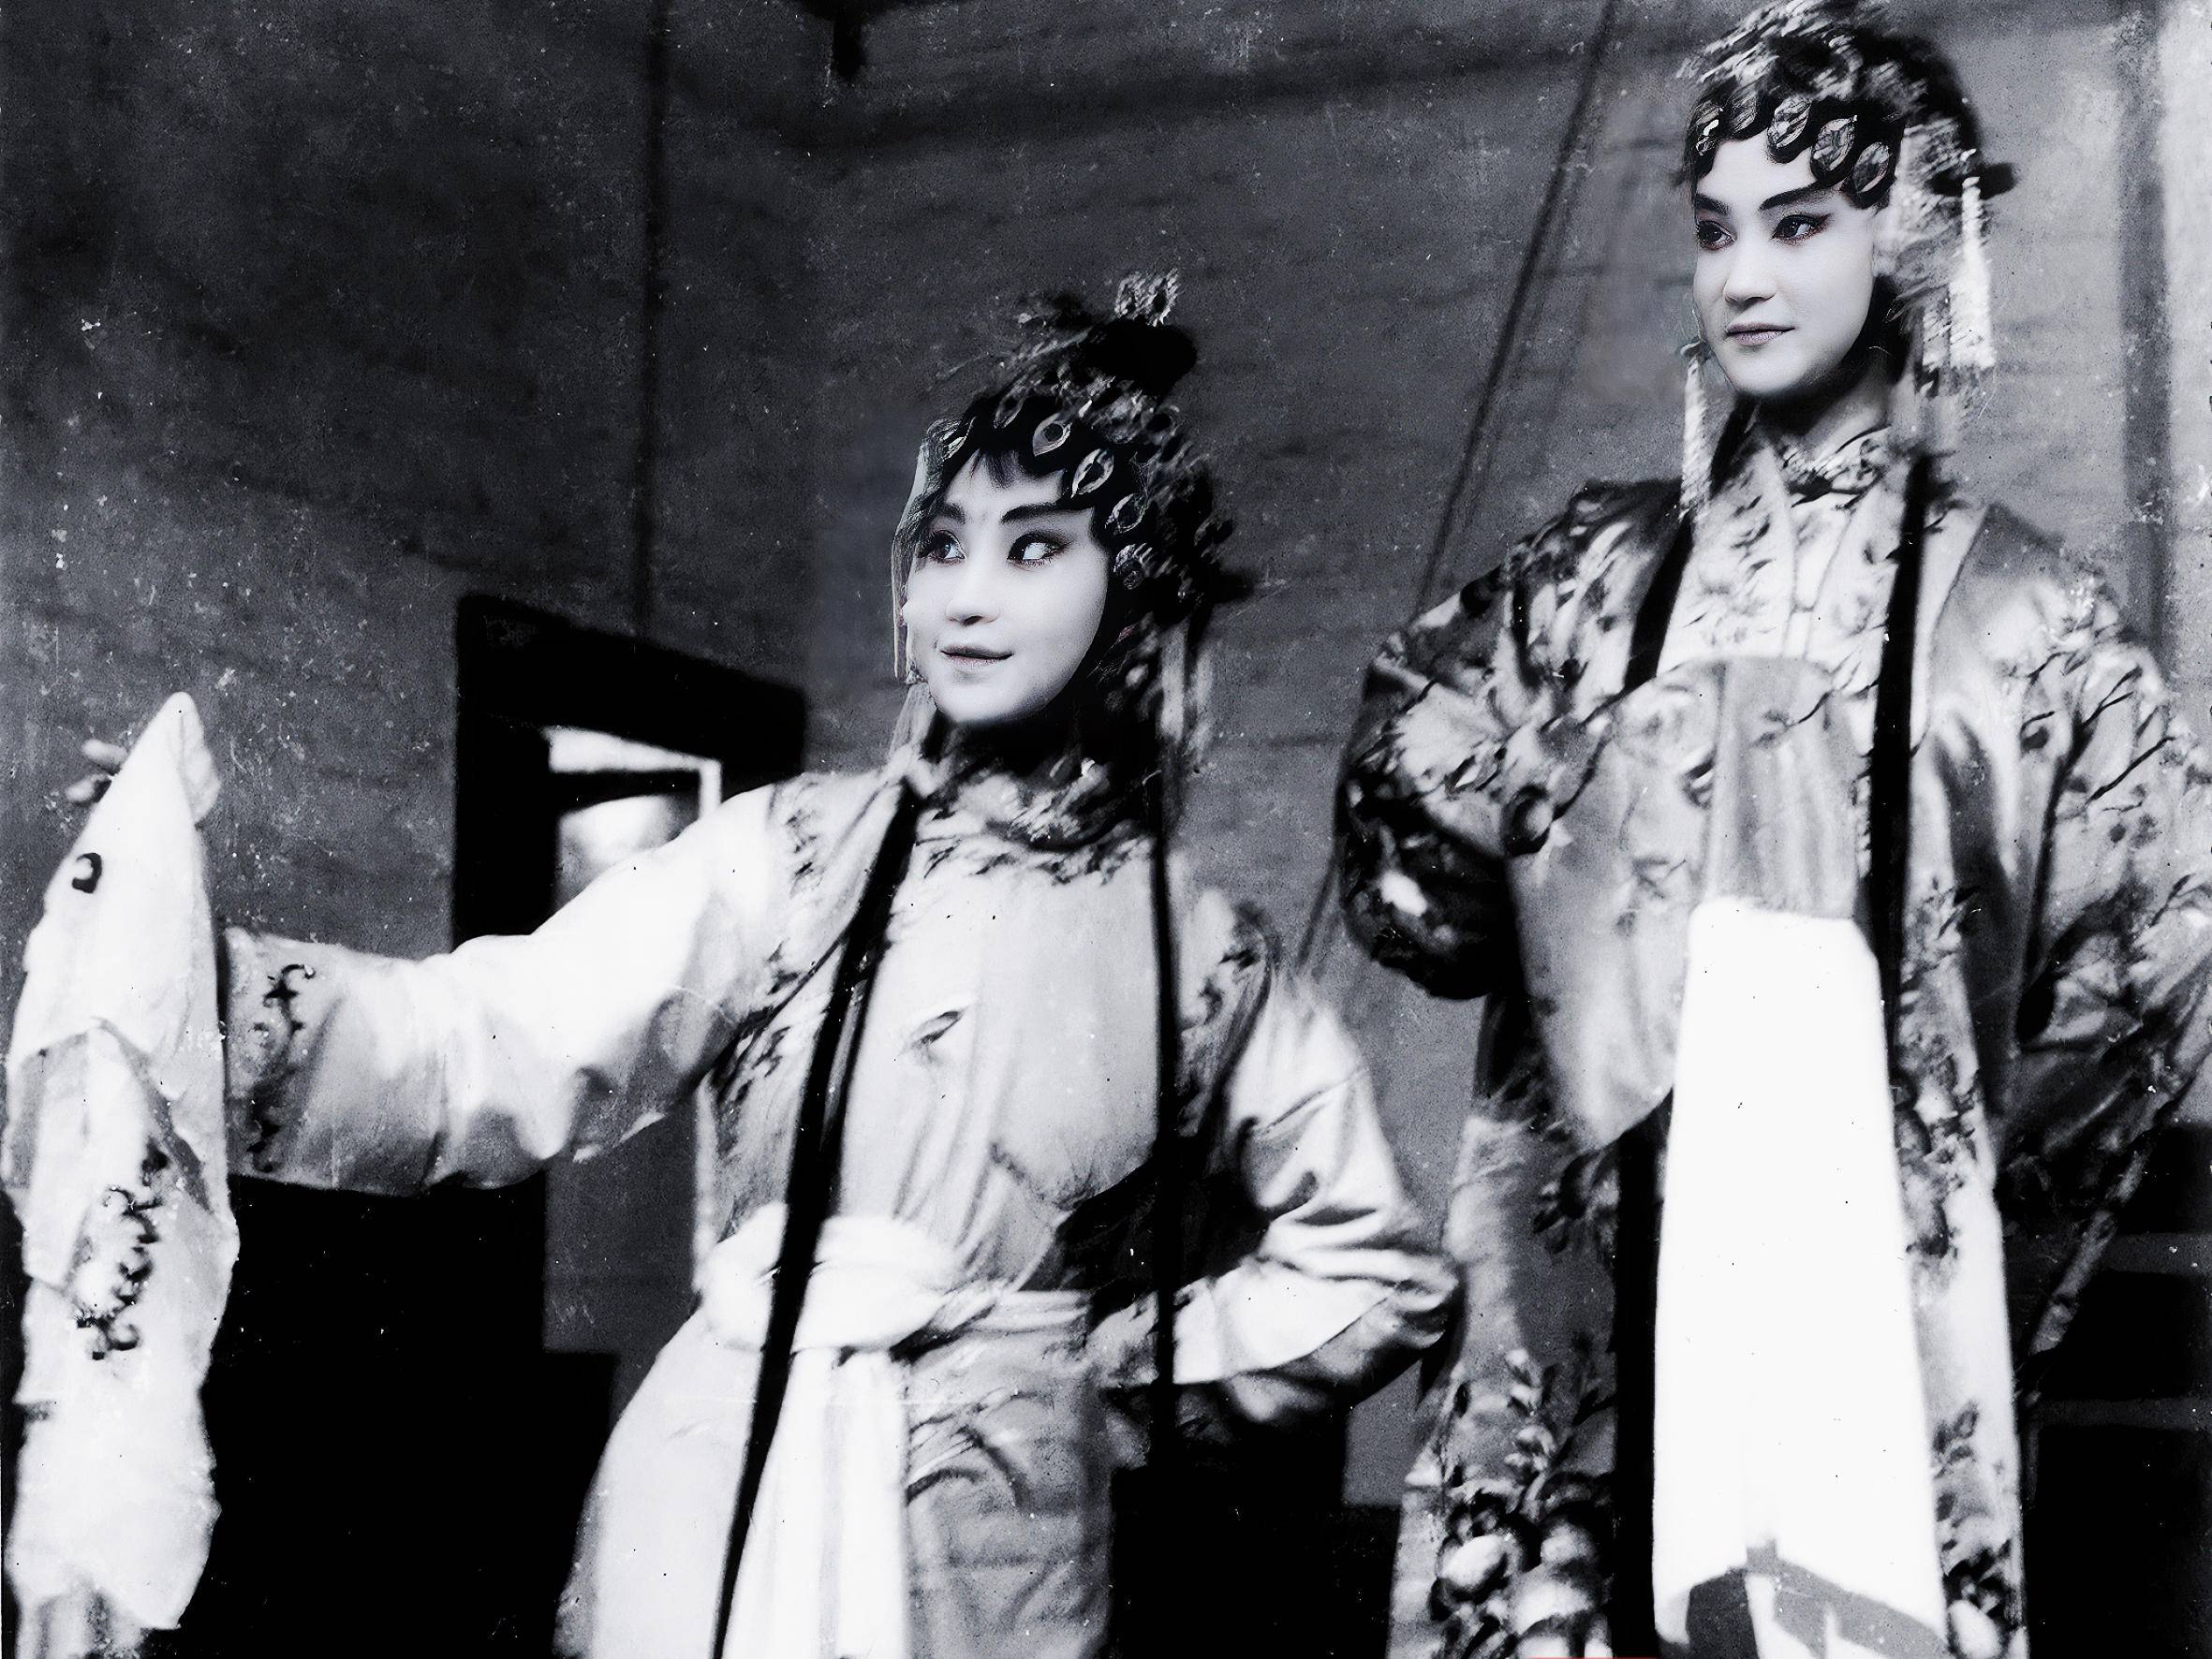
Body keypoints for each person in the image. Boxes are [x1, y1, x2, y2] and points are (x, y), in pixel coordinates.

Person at [46, 276, 1454, 1657]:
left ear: (1132, 589)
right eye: (943, 545)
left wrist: (1103, 1377)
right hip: (721, 1483)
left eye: (1034, 550)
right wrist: (201, 982)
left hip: (999, 1538)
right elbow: (497, 1035)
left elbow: (1378, 1263)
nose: (967, 598)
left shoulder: (1203, 952)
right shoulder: (791, 856)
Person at [1335, 7, 2212, 1658]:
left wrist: (1935, 1172)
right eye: (1714, 228)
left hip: (1853, 1289)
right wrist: (1544, 807)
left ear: (1910, 240)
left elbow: (2161, 942)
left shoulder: (2027, 621)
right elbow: (1406, 805)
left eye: (1797, 225)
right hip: (1592, 1271)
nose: (1741, 275)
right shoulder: (1590, 579)